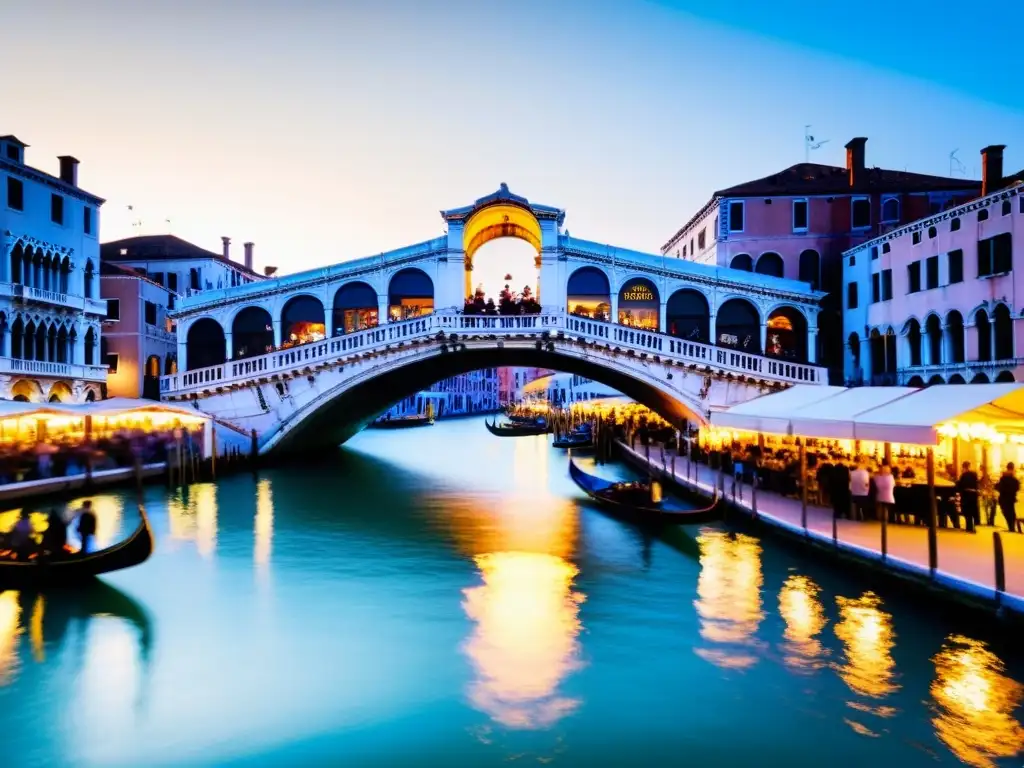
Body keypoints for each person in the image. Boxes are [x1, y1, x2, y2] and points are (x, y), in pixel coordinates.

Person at [996, 463, 1020, 532]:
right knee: (1011, 512)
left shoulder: (1003, 478)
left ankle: (1011, 527)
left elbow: (999, 487)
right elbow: (1017, 487)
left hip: (1004, 498)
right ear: (1012, 468)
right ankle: (1012, 527)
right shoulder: (1014, 478)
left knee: (1007, 512)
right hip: (1011, 498)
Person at [956, 461, 980, 530]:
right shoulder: (974, 474)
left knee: (967, 512)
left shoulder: (963, 475)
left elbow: (960, 486)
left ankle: (969, 527)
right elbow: (976, 484)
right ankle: (974, 526)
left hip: (966, 495)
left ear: (963, 467)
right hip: (973, 495)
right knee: (973, 511)